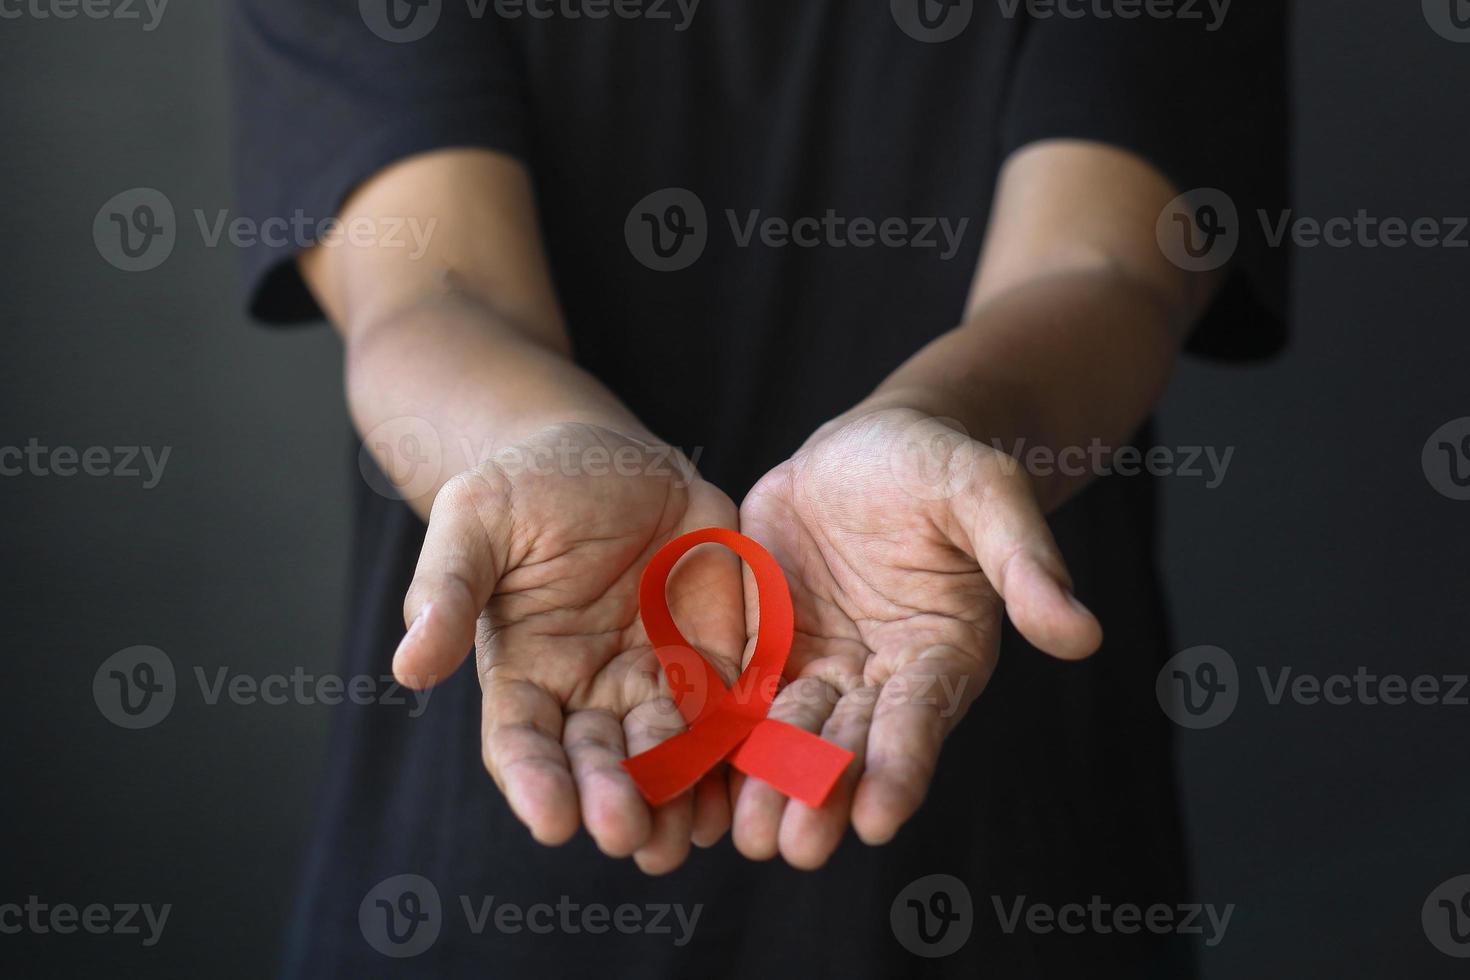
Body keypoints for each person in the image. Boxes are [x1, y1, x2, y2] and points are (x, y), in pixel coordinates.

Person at [231, 2, 1286, 975]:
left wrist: (942, 425)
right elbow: (423, 286)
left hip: (1013, 861)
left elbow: (1108, 265)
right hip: (486, 867)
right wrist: (542, 442)